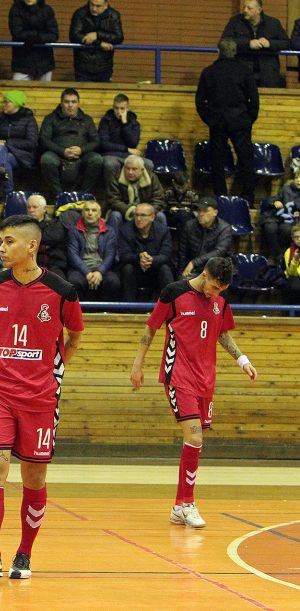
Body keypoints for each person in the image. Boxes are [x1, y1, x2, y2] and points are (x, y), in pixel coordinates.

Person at [0, 215, 84, 580]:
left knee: (33, 478)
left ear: (31, 246)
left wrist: (53, 372)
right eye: (1, 242)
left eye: (8, 242)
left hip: (40, 398)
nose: (1, 248)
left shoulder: (61, 291)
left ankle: (24, 553)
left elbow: (74, 336)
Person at [130, 257, 257, 528]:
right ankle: (187, 503)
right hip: (179, 376)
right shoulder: (174, 293)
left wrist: (242, 360)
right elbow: (150, 329)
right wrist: (137, 364)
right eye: (213, 286)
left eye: (221, 289)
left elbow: (222, 334)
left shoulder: (220, 302)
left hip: (206, 379)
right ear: (204, 274)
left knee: (196, 443)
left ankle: (178, 506)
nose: (215, 292)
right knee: (195, 437)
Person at [195, 38, 258, 202]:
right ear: (235, 51)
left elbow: (200, 101)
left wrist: (209, 119)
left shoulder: (209, 72)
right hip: (241, 121)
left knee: (217, 161)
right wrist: (249, 118)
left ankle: (221, 195)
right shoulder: (244, 71)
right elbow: (254, 99)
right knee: (245, 159)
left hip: (218, 122)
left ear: (219, 51)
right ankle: (248, 196)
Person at [39, 88, 102, 198]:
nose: (70, 105)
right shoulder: (51, 118)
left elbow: (96, 141)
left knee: (97, 159)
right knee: (46, 159)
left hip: (82, 156)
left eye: (73, 102)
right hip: (58, 155)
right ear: (61, 103)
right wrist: (63, 151)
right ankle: (59, 196)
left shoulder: (87, 120)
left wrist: (81, 150)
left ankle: (83, 196)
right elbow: (44, 140)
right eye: (67, 102)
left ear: (78, 103)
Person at [221, 0, 289, 88]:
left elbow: (286, 43)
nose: (245, 10)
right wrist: (248, 44)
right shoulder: (235, 22)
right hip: (242, 70)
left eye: (249, 8)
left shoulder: (273, 23)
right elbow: (224, 41)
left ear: (259, 10)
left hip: (268, 73)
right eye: (244, 7)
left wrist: (270, 43)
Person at [116, 203, 173, 301]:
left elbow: (166, 255)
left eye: (143, 215)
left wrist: (151, 259)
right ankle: (128, 310)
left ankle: (168, 307)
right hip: (135, 270)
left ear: (152, 217)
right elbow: (124, 255)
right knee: (127, 268)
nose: (138, 219)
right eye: (136, 215)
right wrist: (139, 257)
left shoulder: (163, 231)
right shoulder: (125, 230)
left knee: (165, 268)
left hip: (155, 270)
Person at [0, 90, 38, 199]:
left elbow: (32, 143)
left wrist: (8, 144)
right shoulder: (0, 120)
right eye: (4, 101)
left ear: (16, 104)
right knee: (5, 159)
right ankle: (8, 194)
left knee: (2, 150)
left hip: (23, 157)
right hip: (4, 155)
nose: (4, 104)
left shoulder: (29, 120)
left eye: (7, 102)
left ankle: (1, 172)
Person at [66, 199, 120, 301]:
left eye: (94, 210)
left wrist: (100, 272)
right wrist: (87, 272)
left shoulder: (109, 231)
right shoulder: (74, 230)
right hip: (80, 269)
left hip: (102, 268)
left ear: (99, 214)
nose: (90, 213)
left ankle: (105, 313)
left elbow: (110, 255)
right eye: (87, 210)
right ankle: (80, 314)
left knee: (113, 281)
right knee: (74, 281)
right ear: (82, 213)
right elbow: (72, 255)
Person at [69, 0, 123, 82]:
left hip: (104, 66)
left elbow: (119, 37)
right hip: (83, 66)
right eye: (92, 4)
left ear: (106, 5)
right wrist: (99, 43)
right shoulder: (80, 14)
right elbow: (74, 36)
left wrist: (97, 34)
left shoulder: (113, 15)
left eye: (98, 6)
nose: (94, 9)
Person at [8, 0, 58, 81]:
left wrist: (35, 37)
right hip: (22, 61)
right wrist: (39, 36)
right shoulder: (15, 10)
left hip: (44, 62)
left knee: (44, 93)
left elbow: (54, 35)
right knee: (18, 92)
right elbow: (16, 32)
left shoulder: (47, 10)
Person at [98, 94, 152, 183]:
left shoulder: (133, 123)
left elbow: (133, 143)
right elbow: (103, 144)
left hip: (129, 156)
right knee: (110, 164)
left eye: (122, 108)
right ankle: (112, 194)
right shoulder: (106, 121)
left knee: (148, 164)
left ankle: (140, 194)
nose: (119, 111)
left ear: (127, 109)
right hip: (111, 154)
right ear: (113, 108)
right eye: (116, 108)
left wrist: (125, 124)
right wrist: (127, 149)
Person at [176, 197, 234, 279]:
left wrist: (194, 262)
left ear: (215, 212)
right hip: (195, 270)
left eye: (206, 211)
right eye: (199, 210)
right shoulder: (189, 226)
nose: (201, 214)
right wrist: (180, 274)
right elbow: (182, 253)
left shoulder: (224, 228)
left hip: (217, 269)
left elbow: (219, 252)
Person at [105, 155, 166, 227]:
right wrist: (130, 211)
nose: (130, 172)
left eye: (134, 169)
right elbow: (113, 200)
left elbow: (158, 199)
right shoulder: (116, 177)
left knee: (160, 216)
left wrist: (145, 212)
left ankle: (162, 238)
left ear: (142, 170)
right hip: (124, 212)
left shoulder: (151, 178)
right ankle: (113, 238)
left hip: (146, 213)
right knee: (115, 215)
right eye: (127, 168)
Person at [259, 168, 300, 258]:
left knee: (286, 230)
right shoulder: (286, 188)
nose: (298, 180)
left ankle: (284, 255)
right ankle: (277, 256)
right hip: (277, 216)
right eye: (297, 177)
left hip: (292, 220)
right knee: (270, 228)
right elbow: (276, 198)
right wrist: (276, 202)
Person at [26, 194, 68, 278]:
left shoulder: (55, 224)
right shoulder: (22, 225)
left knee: (61, 284)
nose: (31, 210)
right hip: (28, 265)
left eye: (34, 207)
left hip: (52, 265)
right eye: (29, 207)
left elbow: (54, 238)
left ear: (44, 209)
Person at [283, 224, 300, 303]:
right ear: (293, 238)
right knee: (295, 286)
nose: (299, 239)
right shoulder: (289, 252)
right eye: (296, 237)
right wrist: (295, 260)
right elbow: (291, 273)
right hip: (294, 278)